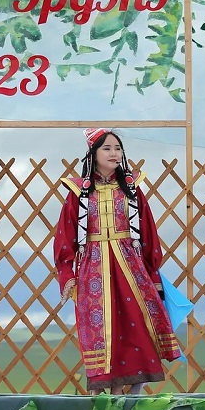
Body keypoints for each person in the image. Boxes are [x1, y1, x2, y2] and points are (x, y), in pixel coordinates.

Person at [53, 128, 182, 395]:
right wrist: (67, 273)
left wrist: (152, 270)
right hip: (94, 266)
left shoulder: (132, 189)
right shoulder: (78, 192)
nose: (114, 153)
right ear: (93, 153)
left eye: (117, 148)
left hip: (130, 265)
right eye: (107, 148)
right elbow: (66, 234)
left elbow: (147, 231)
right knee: (101, 325)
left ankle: (133, 386)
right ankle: (103, 387)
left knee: (135, 319)